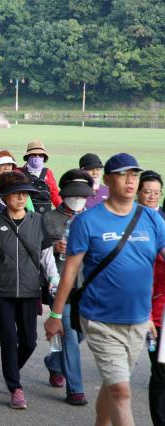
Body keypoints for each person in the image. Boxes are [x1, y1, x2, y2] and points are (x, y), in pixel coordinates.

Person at [45, 153, 165, 426]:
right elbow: (70, 272)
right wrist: (55, 315)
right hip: (99, 318)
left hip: (138, 320)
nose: (130, 180)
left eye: (134, 174)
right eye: (123, 174)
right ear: (108, 180)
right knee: (122, 391)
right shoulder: (87, 222)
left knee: (114, 383)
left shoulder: (152, 219)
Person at [0, 171, 59, 409]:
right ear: (5, 197)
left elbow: (46, 256)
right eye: (15, 194)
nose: (21, 198)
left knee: (29, 341)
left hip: (31, 291)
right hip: (1, 291)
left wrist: (54, 278)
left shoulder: (37, 222)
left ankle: (10, 369)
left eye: (24, 193)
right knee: (9, 340)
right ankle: (15, 387)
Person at [42, 169, 95, 406]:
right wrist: (53, 247)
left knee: (84, 331)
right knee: (70, 336)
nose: (78, 200)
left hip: (87, 287)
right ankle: (76, 389)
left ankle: (54, 362)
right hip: (59, 288)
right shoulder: (48, 219)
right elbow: (35, 251)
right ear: (63, 194)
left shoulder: (93, 219)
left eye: (82, 195)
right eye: (74, 195)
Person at [138, 171, 165, 425]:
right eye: (148, 191)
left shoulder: (163, 221)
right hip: (153, 313)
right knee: (161, 372)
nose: (152, 196)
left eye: (157, 192)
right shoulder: (130, 224)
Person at [0, 150, 34, 216]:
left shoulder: (21, 186)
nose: (6, 168)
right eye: (2, 164)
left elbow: (30, 211)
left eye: (9, 164)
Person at [18, 140, 62, 214]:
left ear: (44, 158)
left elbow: (55, 194)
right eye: (34, 155)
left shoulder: (48, 172)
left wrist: (63, 210)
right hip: (26, 216)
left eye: (40, 155)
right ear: (28, 157)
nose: (37, 157)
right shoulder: (18, 172)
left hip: (46, 216)